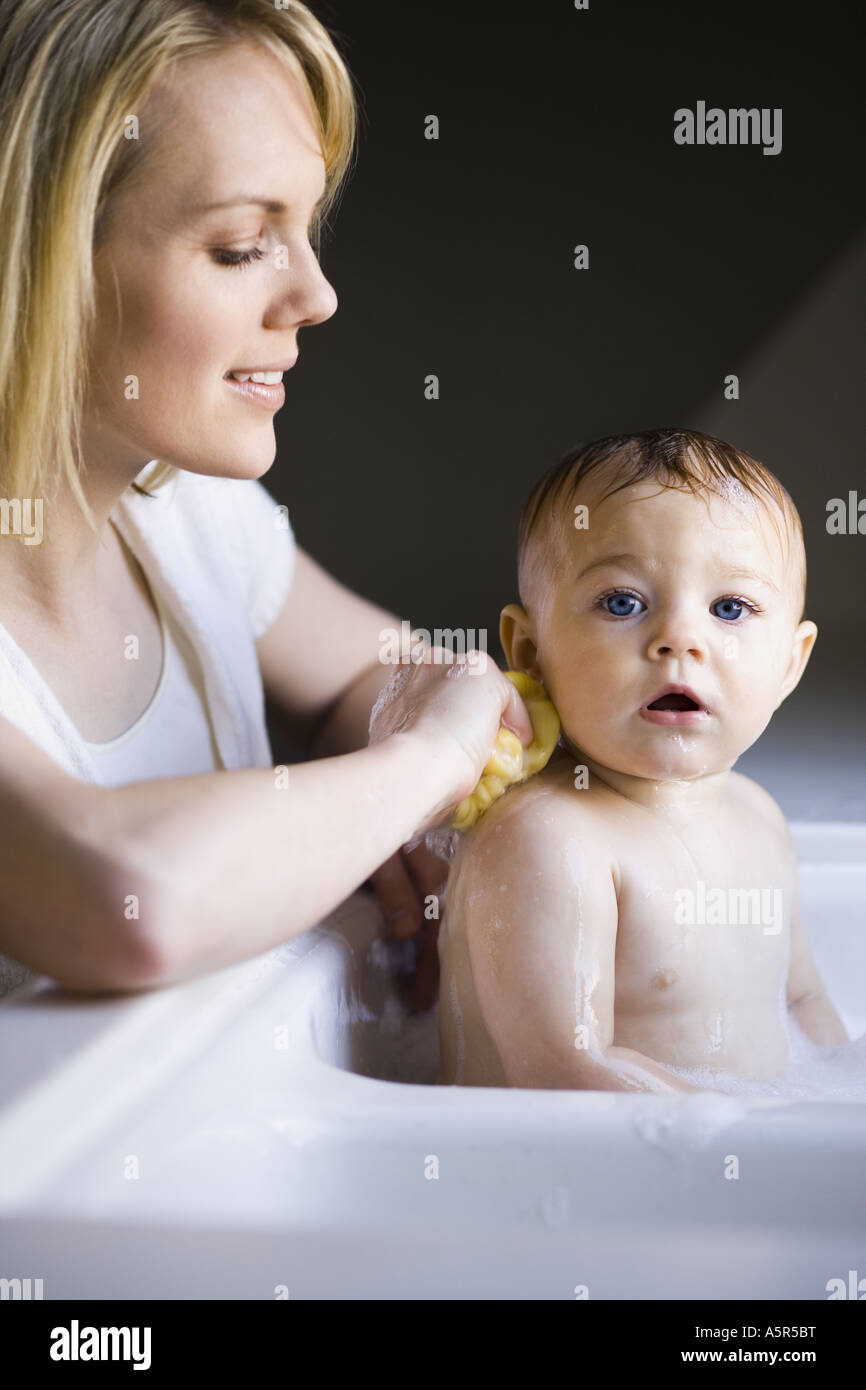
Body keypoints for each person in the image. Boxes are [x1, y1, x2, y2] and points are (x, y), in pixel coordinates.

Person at [0, 0, 534, 999]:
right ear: (32, 261)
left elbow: (370, 683)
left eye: (306, 228)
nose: (317, 295)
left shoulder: (187, 516)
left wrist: (367, 798)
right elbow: (126, 903)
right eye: (243, 245)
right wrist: (418, 769)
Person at [437, 428, 850, 1091]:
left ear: (790, 665)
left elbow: (801, 1005)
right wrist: (741, 1136)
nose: (679, 639)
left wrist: (837, 1097)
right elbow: (562, 1070)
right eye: (623, 603)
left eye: (730, 608)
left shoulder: (759, 819)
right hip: (566, 1182)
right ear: (530, 650)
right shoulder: (547, 838)